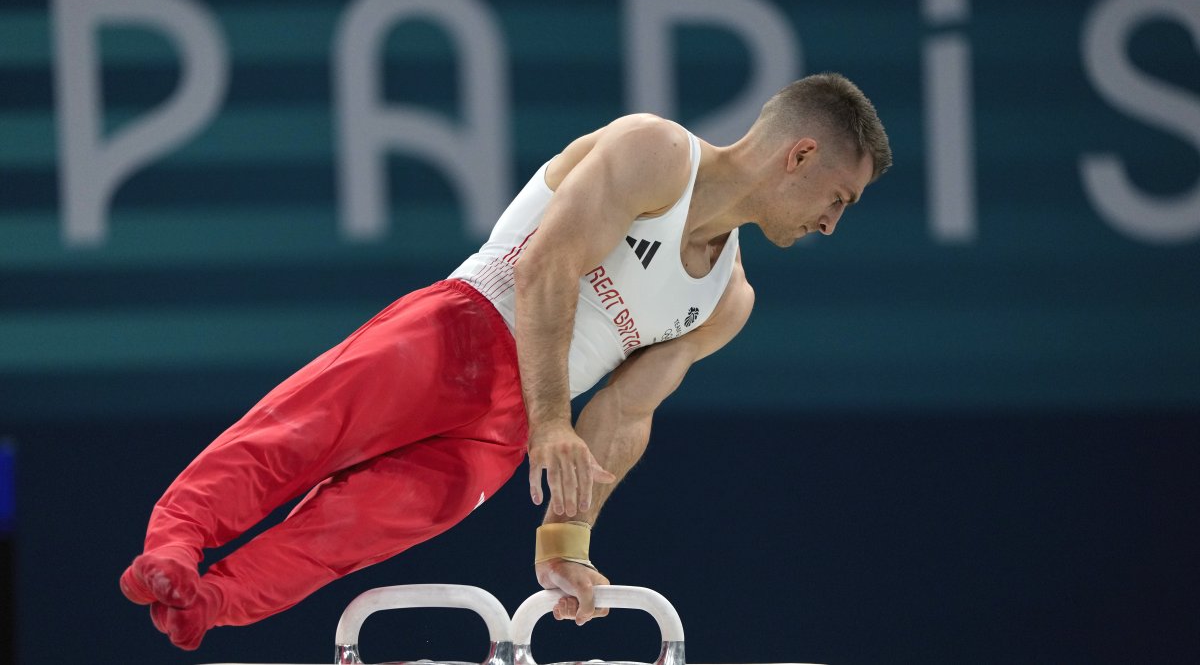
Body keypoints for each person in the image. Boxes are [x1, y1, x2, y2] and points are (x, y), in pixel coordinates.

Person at [119, 72, 892, 650]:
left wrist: (566, 541)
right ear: (801, 152)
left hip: (506, 434)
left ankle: (206, 600)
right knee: (295, 439)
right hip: (463, 330)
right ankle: (173, 545)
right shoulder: (655, 153)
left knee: (347, 533)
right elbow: (544, 267)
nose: (834, 222)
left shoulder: (727, 301)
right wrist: (553, 419)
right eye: (842, 198)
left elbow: (623, 414)